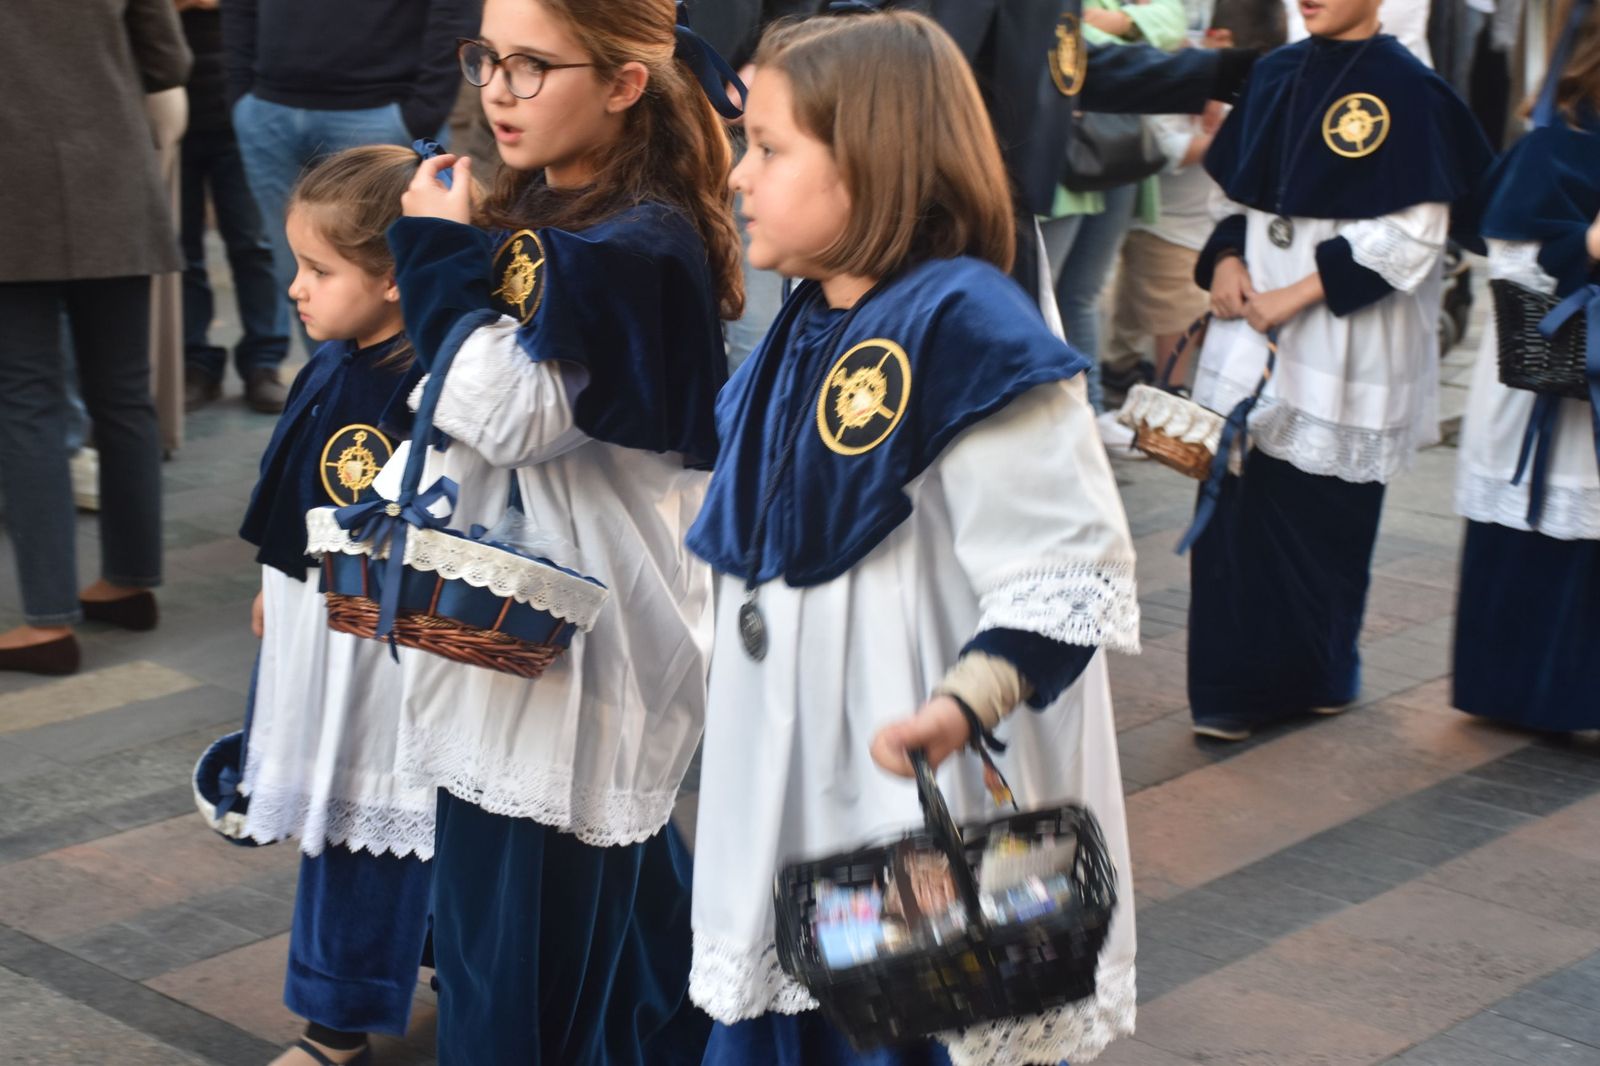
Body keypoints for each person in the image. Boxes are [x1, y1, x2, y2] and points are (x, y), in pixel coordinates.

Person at [685, 12, 1141, 1065]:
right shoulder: (806, 316)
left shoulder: (967, 324)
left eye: (767, 148)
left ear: (873, 161)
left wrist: (957, 705)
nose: (737, 177)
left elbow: (1067, 569)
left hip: (896, 792)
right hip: (793, 769)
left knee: (893, 1022)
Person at [382, 0, 743, 1060]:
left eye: (533, 65)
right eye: (487, 58)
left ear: (626, 82)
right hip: (528, 627)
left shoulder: (638, 238)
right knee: (619, 948)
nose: (496, 88)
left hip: (579, 647)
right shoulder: (561, 201)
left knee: (519, 982)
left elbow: (509, 413)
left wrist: (435, 257)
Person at [1183, 0, 1493, 740]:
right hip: (1251, 327)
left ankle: (1318, 674)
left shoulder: (1409, 87)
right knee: (1237, 516)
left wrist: (1300, 291)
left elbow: (1415, 232)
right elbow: (1234, 196)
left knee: (1326, 518)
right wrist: (1226, 260)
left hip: (1341, 343)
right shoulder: (1275, 71)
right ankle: (1233, 690)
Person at [232, 145, 432, 1066]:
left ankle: (335, 1020)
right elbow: (291, 489)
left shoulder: (420, 382)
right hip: (317, 629)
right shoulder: (335, 358)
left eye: (320, 270)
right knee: (353, 821)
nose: (295, 291)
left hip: (378, 652)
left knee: (364, 822)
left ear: (393, 279)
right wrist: (272, 587)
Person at [0, 1, 190, 675]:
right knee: (124, 394)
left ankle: (48, 621)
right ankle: (130, 583)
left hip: (11, 183)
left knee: (25, 403)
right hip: (110, 170)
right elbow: (166, 56)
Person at [1452, 0, 1600, 733]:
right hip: (1553, 374)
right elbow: (1513, 260)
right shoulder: (1555, 144)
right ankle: (1526, 692)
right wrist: (1590, 248)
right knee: (1543, 535)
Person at [221, 0, 478, 413]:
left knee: (400, 282)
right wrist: (241, 95)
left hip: (380, 109)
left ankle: (400, 422)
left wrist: (422, 111)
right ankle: (331, 407)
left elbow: (454, 9)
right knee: (302, 280)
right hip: (268, 106)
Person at [1102, 0, 1288, 405]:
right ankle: (1168, 390)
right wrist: (1228, 135)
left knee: (1153, 312)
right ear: (1221, 40)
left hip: (1198, 227)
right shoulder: (1178, 75)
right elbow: (1166, 148)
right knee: (1171, 315)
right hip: (1167, 227)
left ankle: (1126, 373)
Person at [1041, 0, 1188, 429]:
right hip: (1061, 159)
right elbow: (1057, 37)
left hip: (1118, 153)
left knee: (1082, 293)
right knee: (1041, 297)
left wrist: (1120, 22)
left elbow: (1172, 24)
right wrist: (1129, 28)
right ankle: (1047, 417)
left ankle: (1090, 414)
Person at [178, 0, 290, 413]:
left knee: (254, 245)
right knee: (180, 252)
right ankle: (195, 364)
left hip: (241, 107)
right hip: (168, 108)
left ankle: (264, 364)